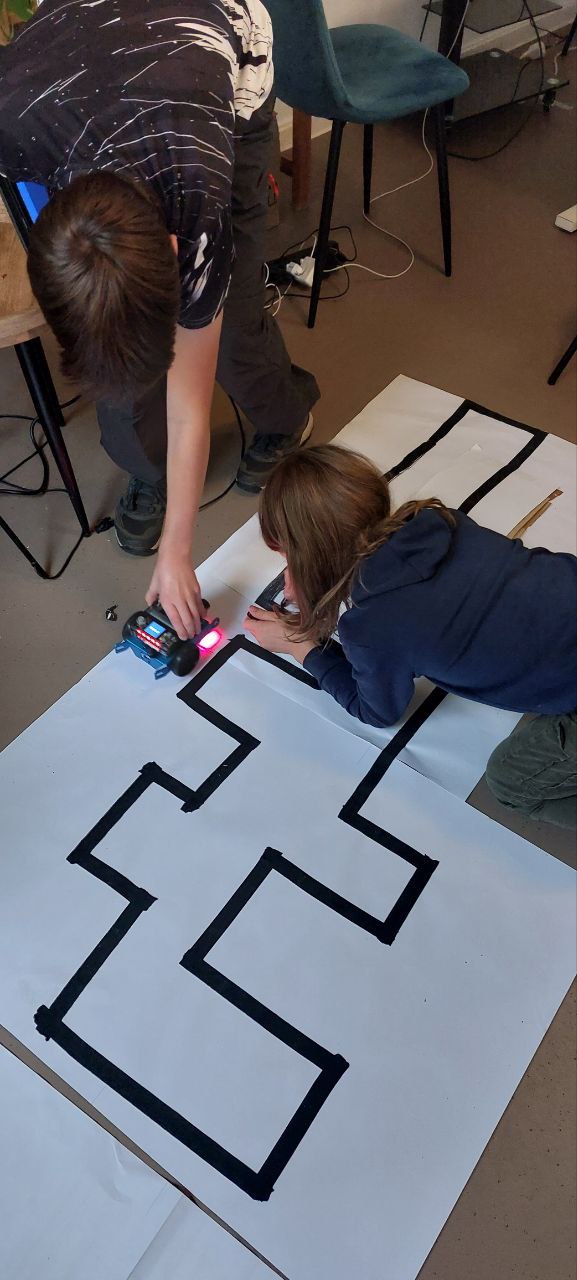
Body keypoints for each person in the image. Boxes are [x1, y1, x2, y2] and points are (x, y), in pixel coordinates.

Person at [0, 0, 319, 640]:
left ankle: (285, 415)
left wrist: (178, 549)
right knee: (117, 357)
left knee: (233, 328)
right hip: (84, 60)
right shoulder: (11, 123)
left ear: (175, 251)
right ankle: (151, 472)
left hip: (219, 49)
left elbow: (188, 407)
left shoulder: (199, 194)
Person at [244, 445, 577, 830]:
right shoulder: (440, 521)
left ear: (308, 559)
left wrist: (300, 645)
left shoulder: (372, 627)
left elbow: (376, 711)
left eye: (288, 556)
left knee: (510, 780)